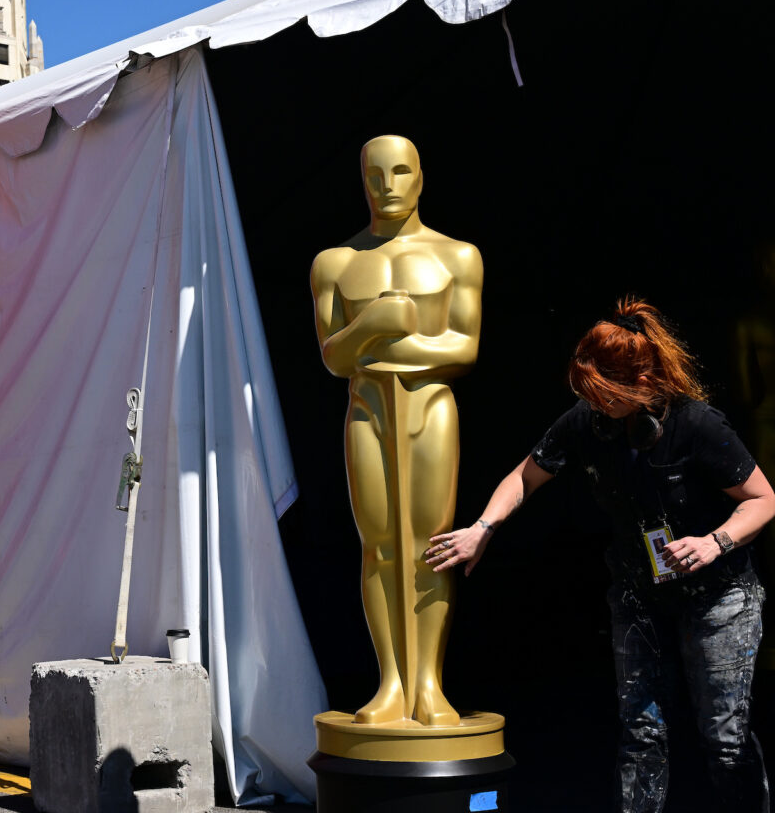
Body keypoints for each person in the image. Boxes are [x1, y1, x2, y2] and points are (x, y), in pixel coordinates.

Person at [427, 298, 773, 812]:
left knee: (725, 741)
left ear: (641, 381)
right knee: (642, 733)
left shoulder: (698, 425)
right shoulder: (586, 423)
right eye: (587, 392)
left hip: (719, 598)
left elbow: (764, 500)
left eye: (605, 392)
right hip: (639, 594)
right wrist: (484, 528)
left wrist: (713, 542)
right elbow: (525, 476)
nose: (595, 402)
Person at [311, 134, 483, 726]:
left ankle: (429, 683)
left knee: (430, 547)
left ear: (420, 177)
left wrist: (388, 343)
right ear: (361, 179)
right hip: (368, 413)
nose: (387, 186)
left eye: (400, 172)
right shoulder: (335, 263)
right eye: (375, 174)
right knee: (379, 545)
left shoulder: (457, 257)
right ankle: (391, 681)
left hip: (430, 408)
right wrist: (375, 325)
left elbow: (463, 346)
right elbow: (334, 357)